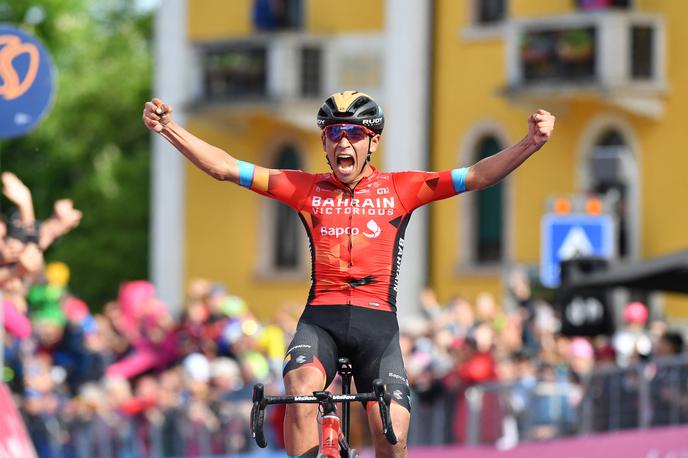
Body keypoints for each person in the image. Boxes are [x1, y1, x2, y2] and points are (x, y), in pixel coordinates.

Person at [143, 91, 555, 457]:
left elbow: (478, 176)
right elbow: (227, 168)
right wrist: (169, 129)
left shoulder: (401, 188)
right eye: (334, 132)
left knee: (391, 438)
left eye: (355, 134)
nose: (344, 141)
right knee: (301, 392)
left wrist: (531, 143)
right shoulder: (303, 187)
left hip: (377, 326)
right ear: (323, 141)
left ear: (372, 141)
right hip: (320, 319)